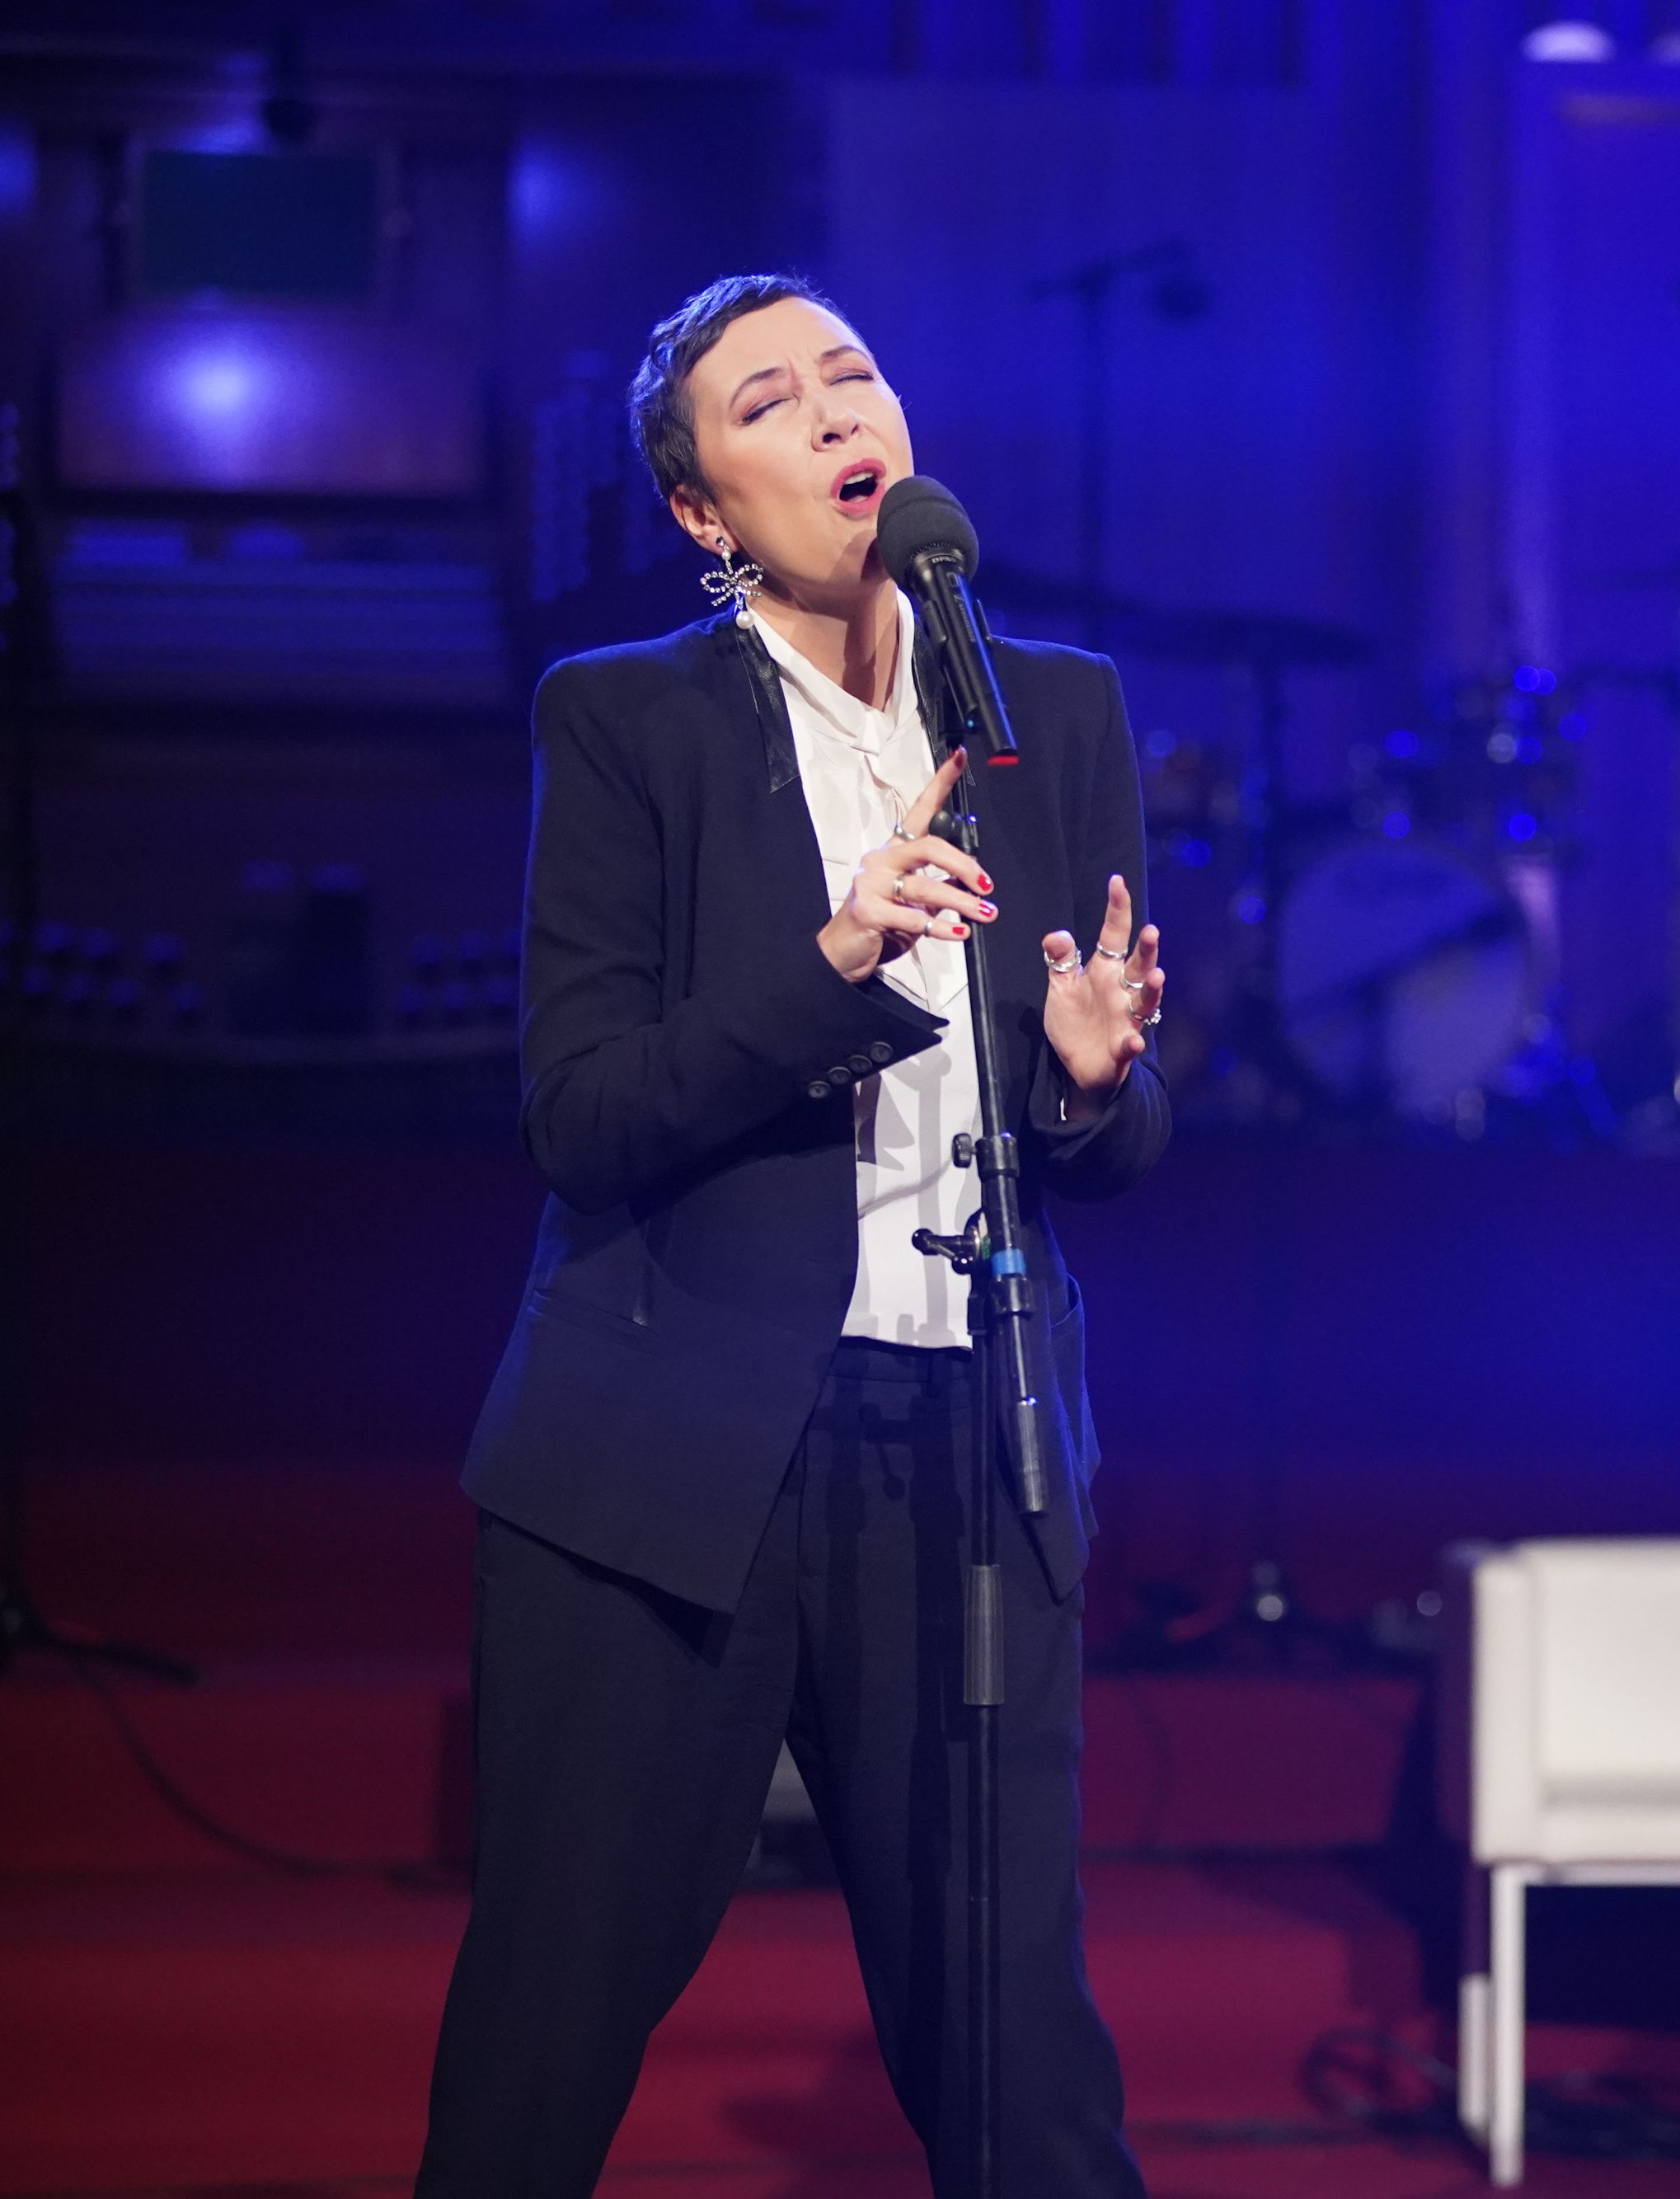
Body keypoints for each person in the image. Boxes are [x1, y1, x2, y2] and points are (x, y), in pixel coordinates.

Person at [420, 272, 1166, 2198]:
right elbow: (582, 1113)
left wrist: (1087, 1077)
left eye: (852, 370)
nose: (839, 410)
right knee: (551, 2015)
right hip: (670, 1455)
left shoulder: (1049, 710)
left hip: (968, 1445)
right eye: (772, 398)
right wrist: (833, 962)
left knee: (1016, 2048)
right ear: (702, 509)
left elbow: (1108, 1132)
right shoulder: (627, 722)